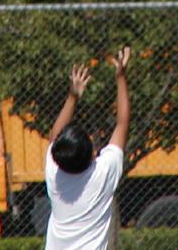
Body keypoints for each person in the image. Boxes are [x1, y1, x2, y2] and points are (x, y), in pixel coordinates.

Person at [44, 46, 131, 249]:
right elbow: (122, 123)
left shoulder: (55, 175)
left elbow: (55, 136)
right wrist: (120, 77)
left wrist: (73, 96)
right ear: (93, 154)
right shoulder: (102, 173)